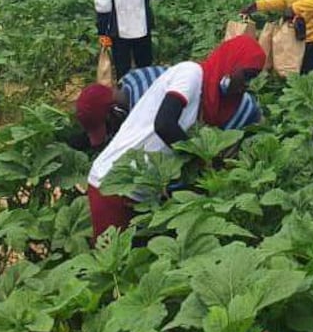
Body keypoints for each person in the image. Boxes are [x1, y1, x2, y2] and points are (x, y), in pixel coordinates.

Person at [86, 36, 266, 238]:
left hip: (145, 192)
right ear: (232, 62)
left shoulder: (208, 103)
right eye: (247, 75)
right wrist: (202, 158)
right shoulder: (191, 74)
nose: (247, 84)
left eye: (253, 78)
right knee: (113, 263)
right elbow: (164, 124)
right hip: (112, 184)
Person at [71, 65, 261, 151]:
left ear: (115, 111)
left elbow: (171, 147)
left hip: (237, 117)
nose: (111, 133)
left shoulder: (149, 112)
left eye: (108, 127)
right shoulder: (132, 79)